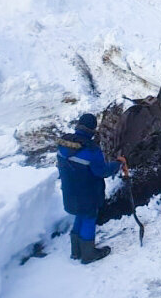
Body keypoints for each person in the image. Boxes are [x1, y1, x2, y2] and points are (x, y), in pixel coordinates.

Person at [57, 113, 122, 264]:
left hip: (69, 192)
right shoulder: (92, 150)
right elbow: (102, 171)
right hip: (88, 193)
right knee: (88, 218)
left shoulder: (63, 144)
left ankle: (76, 251)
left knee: (79, 215)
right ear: (93, 130)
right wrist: (117, 164)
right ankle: (88, 254)